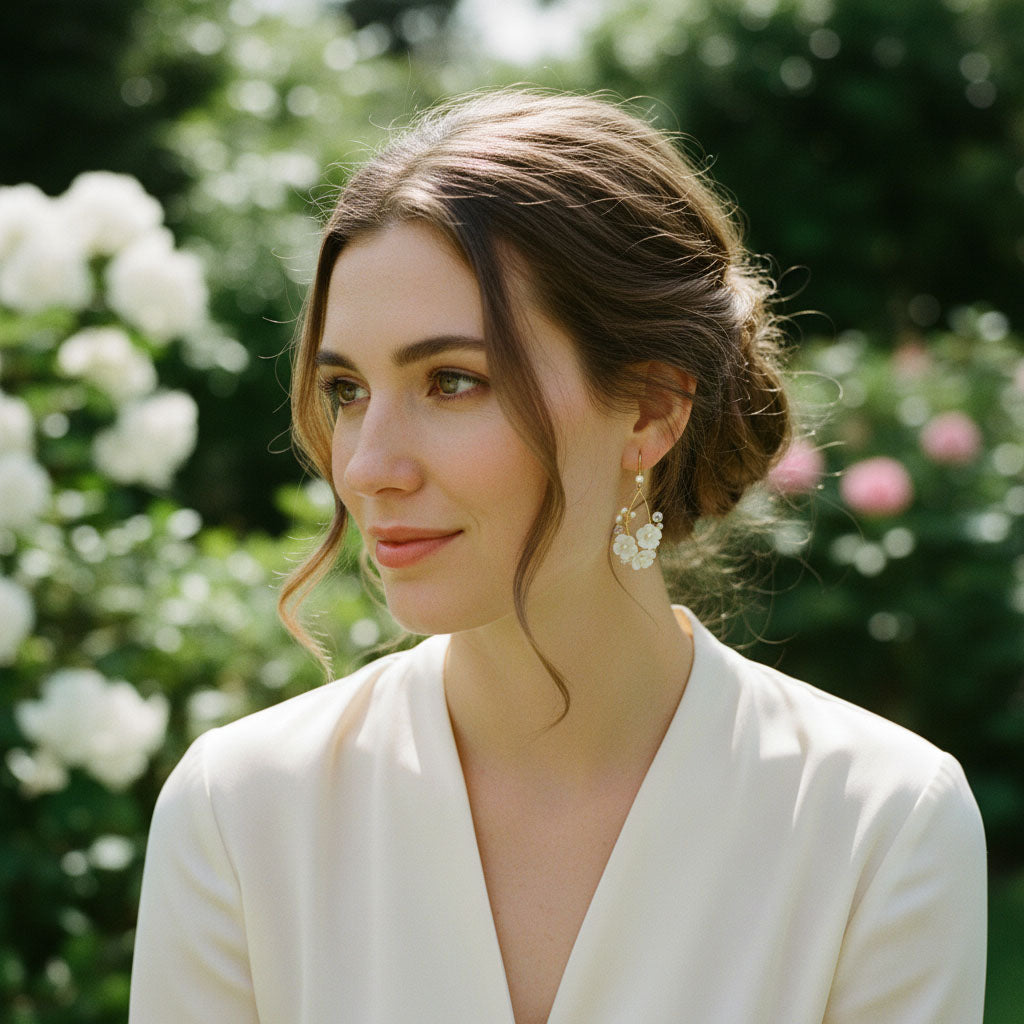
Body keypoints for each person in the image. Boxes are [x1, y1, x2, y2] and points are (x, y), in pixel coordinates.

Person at [129, 89, 986, 1024]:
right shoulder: (240, 816)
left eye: (451, 381)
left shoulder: (878, 826)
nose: (367, 466)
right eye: (345, 389)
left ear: (653, 408)